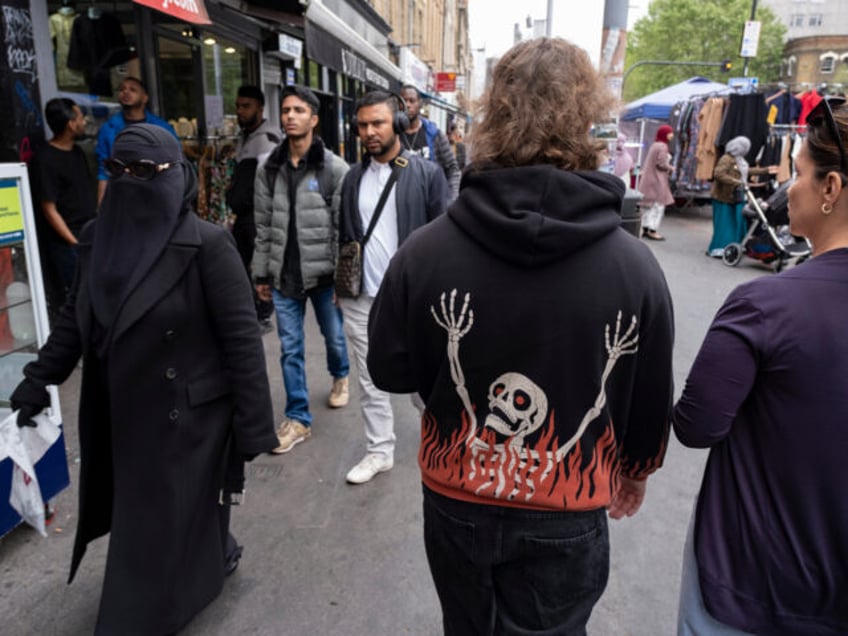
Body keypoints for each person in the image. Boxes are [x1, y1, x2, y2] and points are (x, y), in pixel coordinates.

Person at [366, 38, 674, 634]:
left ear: (495, 115)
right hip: (567, 508)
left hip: (456, 497)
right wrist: (635, 468)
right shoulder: (634, 269)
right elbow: (650, 390)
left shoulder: (424, 252)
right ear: (586, 115)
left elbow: (389, 369)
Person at [10, 124, 278, 635]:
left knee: (162, 522)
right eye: (119, 170)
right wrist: (37, 379)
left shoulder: (208, 245)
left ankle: (141, 618)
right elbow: (74, 320)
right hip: (121, 410)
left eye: (145, 172)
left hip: (189, 417)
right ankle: (213, 554)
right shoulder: (95, 240)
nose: (131, 181)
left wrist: (253, 430)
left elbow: (243, 343)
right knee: (160, 515)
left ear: (174, 176)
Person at [673, 96, 848, 635]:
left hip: (748, 583)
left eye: (797, 174)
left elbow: (697, 425)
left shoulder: (765, 306)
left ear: (831, 189)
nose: (788, 188)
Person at [339, 90, 449, 485]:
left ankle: (443, 443)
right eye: (363, 125)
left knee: (428, 379)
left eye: (378, 123)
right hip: (363, 298)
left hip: (415, 300)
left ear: (398, 124)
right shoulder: (352, 178)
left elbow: (446, 236)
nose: (369, 132)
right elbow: (347, 234)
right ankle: (378, 451)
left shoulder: (427, 174)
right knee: (370, 380)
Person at [253, 85, 351, 454]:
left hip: (324, 277)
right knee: (289, 348)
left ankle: (340, 375)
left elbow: (344, 230)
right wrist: (261, 274)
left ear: (313, 118)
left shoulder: (334, 168)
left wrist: (343, 279)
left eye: (298, 110)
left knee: (334, 338)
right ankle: (298, 419)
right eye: (286, 110)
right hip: (283, 277)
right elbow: (263, 226)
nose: (290, 116)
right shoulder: (269, 167)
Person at [30, 98, 96, 314]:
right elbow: (49, 209)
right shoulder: (45, 158)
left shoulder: (77, 153)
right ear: (70, 124)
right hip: (68, 243)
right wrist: (73, 243)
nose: (84, 121)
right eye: (79, 117)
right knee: (80, 298)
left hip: (89, 234)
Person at [227, 85, 281, 329]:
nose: (240, 111)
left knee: (259, 265)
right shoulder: (246, 136)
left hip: (257, 216)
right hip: (242, 216)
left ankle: (263, 314)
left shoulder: (268, 139)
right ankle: (253, 312)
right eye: (238, 106)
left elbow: (271, 184)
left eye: (246, 106)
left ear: (260, 108)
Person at [94, 76, 178, 204]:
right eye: (122, 89)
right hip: (122, 197)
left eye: (133, 90)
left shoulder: (161, 128)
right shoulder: (108, 129)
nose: (126, 92)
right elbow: (104, 172)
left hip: (156, 194)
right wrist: (101, 209)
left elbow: (175, 164)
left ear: (145, 98)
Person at [706, 135, 774, 257]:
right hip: (724, 197)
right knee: (725, 223)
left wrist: (766, 170)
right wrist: (737, 182)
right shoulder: (727, 159)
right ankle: (719, 247)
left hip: (737, 195)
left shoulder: (740, 160)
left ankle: (732, 246)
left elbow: (746, 171)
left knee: (736, 222)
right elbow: (718, 174)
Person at [399, 85, 460, 201]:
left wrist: (451, 200)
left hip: (432, 201)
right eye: (403, 101)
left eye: (412, 101)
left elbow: (453, 169)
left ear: (420, 104)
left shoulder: (435, 135)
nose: (407, 105)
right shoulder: (394, 135)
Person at [638, 124, 674, 241]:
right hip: (658, 179)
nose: (672, 135)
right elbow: (661, 164)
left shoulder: (655, 145)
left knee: (649, 206)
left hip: (649, 179)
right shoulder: (663, 146)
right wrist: (671, 168)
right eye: (670, 132)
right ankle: (652, 231)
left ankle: (645, 228)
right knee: (658, 206)